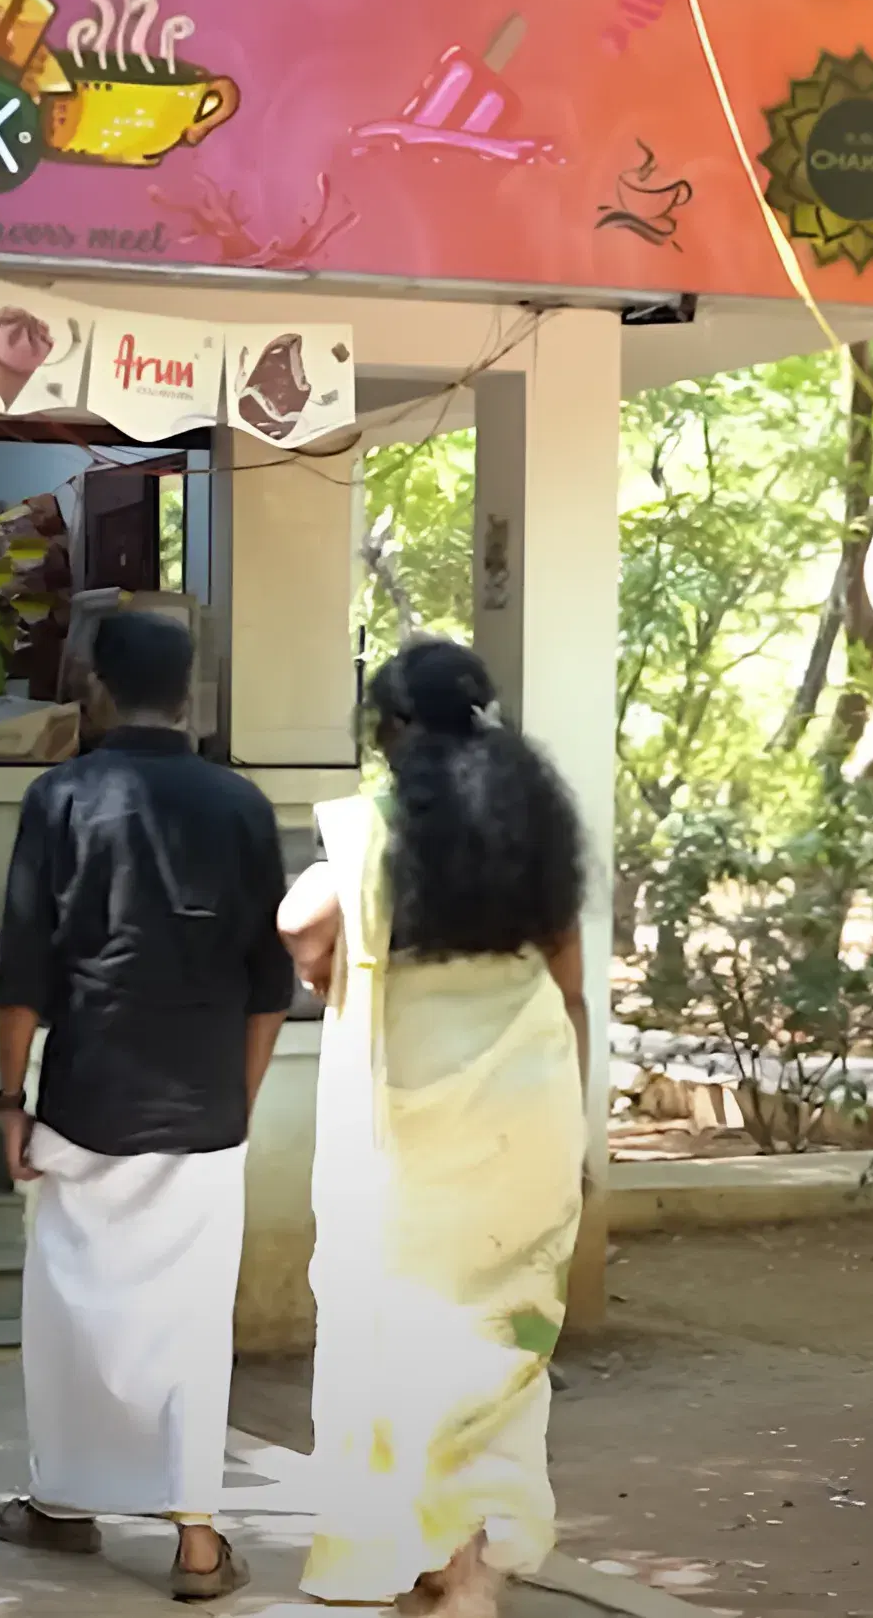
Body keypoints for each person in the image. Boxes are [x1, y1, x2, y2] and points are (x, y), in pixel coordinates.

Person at [274, 640, 589, 1618]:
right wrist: (576, 1134)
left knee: (406, 1326)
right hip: (530, 1102)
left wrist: (326, 974)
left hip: (411, 1111)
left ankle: (430, 1550)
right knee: (503, 1332)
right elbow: (572, 987)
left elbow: (299, 921)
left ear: (394, 732)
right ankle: (474, 1552)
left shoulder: (376, 831)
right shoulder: (535, 834)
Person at [0, 612, 289, 1603]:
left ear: (95, 689)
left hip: (87, 1095)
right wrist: (238, 1098)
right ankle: (196, 1540)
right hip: (204, 1101)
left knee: (69, 1307)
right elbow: (270, 983)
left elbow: (22, 969)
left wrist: (10, 1098)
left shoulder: (61, 796)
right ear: (189, 692)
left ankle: (63, 1503)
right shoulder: (242, 804)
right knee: (190, 1322)